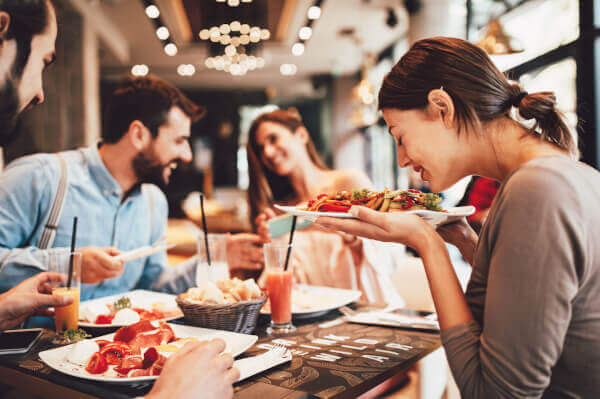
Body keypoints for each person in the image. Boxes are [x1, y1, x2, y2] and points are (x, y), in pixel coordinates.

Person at [316, 37, 600, 398]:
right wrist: (465, 242)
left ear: (442, 107)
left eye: (400, 137)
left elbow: (494, 393)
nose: (402, 160)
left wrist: (427, 243)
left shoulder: (536, 189)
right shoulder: (566, 174)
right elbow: (533, 302)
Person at [0, 1, 238, 397]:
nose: (187, 156)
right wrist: (71, 266)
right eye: (179, 140)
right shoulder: (39, 177)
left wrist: (214, 258)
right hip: (35, 380)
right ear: (140, 134)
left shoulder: (152, 202)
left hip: (122, 374)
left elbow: (151, 286)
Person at [248, 109, 404, 305]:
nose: (268, 153)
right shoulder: (280, 210)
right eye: (261, 149)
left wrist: (354, 239)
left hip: (364, 306)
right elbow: (278, 281)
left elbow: (391, 250)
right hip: (310, 314)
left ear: (301, 135)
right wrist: (269, 249)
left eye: (273, 139)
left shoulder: (348, 183)